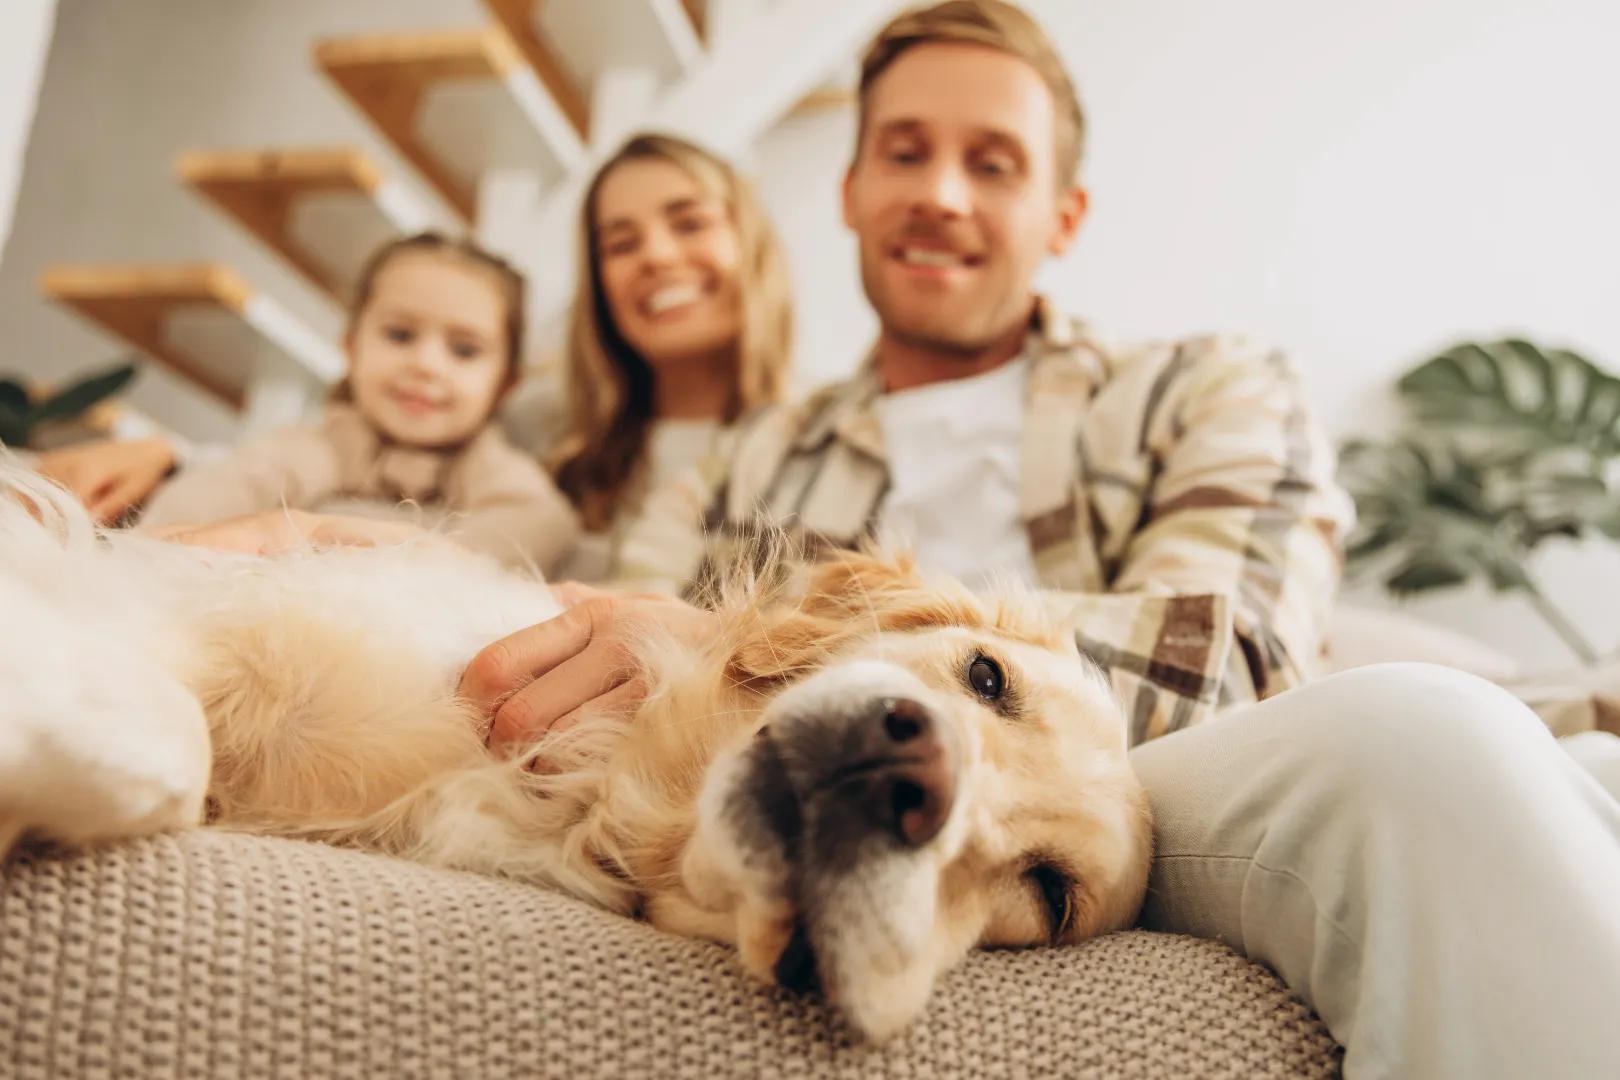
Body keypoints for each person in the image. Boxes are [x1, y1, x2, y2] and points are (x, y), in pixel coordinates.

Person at [445, 4, 1620, 1078]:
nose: (942, 194)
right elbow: (608, 645)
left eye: (992, 164)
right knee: (1424, 747)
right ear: (850, 188)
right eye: (904, 152)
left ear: (1064, 213)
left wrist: (896, 644)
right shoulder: (739, 461)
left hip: (1128, 789)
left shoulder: (1206, 387)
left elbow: (1233, 654)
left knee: (1446, 743)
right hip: (853, 753)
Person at [104, 232, 580, 571]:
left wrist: (427, 561)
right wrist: (159, 551)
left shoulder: (488, 462)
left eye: (464, 350)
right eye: (400, 334)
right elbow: (234, 482)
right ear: (351, 347)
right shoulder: (328, 440)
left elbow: (541, 521)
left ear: (504, 386)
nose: (426, 364)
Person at [546, 131, 794, 582]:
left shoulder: (822, 444)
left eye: (691, 224)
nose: (657, 256)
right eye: (621, 245)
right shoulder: (553, 454)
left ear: (752, 246)